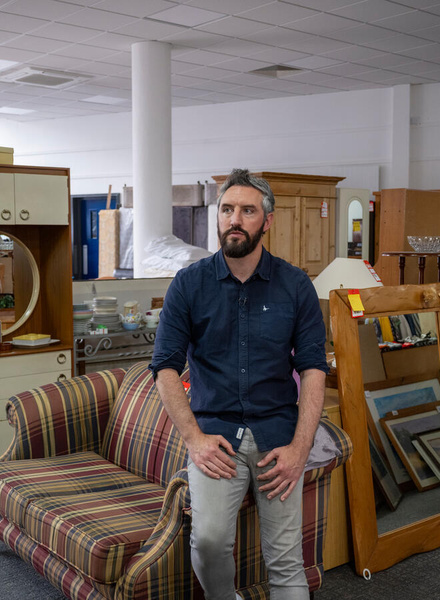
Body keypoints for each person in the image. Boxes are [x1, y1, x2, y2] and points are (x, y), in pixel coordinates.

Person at [150, 168, 328, 600]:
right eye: (227, 209)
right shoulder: (189, 285)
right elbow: (165, 367)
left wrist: (301, 449)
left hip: (277, 438)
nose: (235, 219)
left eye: (247, 211)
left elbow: (313, 369)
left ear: (266, 221)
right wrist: (194, 439)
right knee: (209, 542)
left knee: (285, 556)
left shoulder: (296, 286)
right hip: (216, 440)